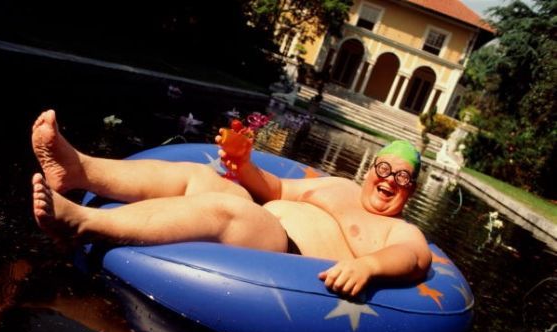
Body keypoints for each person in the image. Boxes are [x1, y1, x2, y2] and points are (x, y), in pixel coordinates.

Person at [31, 110, 431, 297]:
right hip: (266, 219)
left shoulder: (399, 229)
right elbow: (276, 188)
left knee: (231, 212)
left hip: (285, 252)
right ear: (370, 170)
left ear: (410, 191)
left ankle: (82, 222)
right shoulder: (339, 186)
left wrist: (368, 266)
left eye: (402, 177)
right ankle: (79, 169)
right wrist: (244, 164)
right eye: (384, 168)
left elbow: (412, 257)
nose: (389, 180)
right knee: (203, 177)